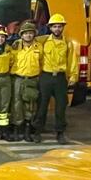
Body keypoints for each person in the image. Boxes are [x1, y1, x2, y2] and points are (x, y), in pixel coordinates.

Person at [33, 14, 78, 144]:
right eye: (55, 26)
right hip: (45, 77)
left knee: (61, 107)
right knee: (41, 106)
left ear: (63, 27)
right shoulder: (43, 41)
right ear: (50, 28)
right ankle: (37, 132)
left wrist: (73, 75)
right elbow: (28, 41)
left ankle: (60, 133)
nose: (57, 29)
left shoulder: (67, 43)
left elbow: (72, 61)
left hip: (60, 78)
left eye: (59, 26)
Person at [10, 21, 43, 143]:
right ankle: (16, 130)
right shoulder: (15, 46)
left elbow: (42, 62)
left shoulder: (39, 47)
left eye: (30, 33)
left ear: (34, 34)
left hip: (33, 79)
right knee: (16, 105)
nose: (28, 36)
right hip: (18, 79)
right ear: (21, 35)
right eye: (25, 33)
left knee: (30, 105)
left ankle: (27, 132)